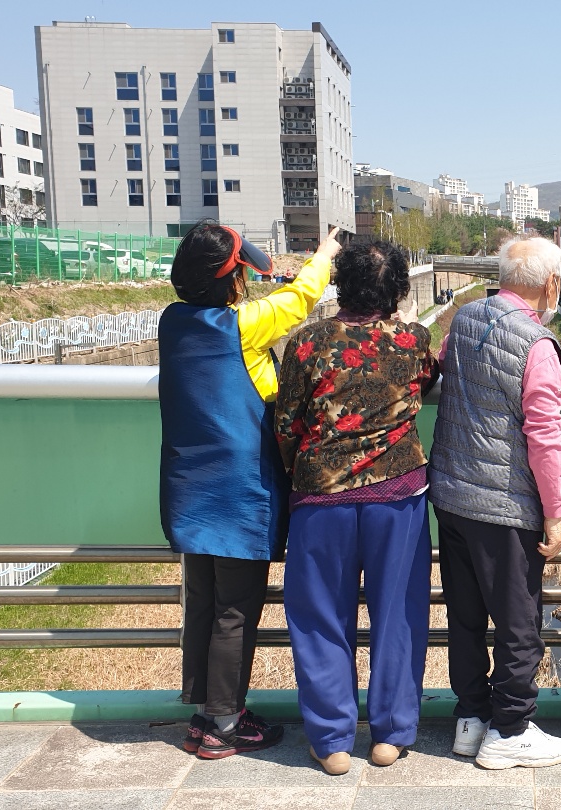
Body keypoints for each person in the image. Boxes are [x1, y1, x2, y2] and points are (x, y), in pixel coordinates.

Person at [159, 222, 337, 760]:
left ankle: (206, 713)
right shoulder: (241, 325)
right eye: (241, 271)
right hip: (239, 492)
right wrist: (326, 253)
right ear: (230, 280)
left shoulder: (172, 322)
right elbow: (301, 298)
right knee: (236, 609)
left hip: (190, 488)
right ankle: (225, 725)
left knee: (203, 603)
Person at [274, 240, 438, 776]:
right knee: (399, 614)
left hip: (322, 497)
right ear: (397, 290)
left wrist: (299, 471)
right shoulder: (413, 340)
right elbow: (427, 380)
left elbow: (287, 424)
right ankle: (391, 734)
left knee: (321, 616)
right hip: (398, 494)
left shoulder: (306, 342)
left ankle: (332, 741)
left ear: (341, 283)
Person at [428, 235, 561, 770]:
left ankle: (471, 718)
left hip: (451, 494)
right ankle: (510, 729)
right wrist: (554, 514)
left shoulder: (465, 318)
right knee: (518, 623)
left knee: (465, 616)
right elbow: (545, 436)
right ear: (551, 283)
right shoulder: (537, 344)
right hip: (504, 506)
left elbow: (444, 366)